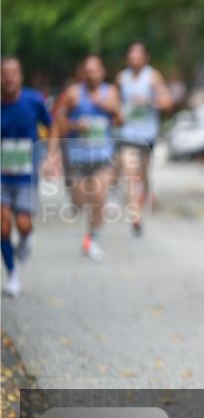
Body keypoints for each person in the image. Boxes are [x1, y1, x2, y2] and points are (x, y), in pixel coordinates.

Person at [51, 55, 122, 261]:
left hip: (102, 156)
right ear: (83, 73)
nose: (91, 74)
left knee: (99, 199)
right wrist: (75, 126)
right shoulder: (73, 94)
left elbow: (121, 120)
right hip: (77, 157)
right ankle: (76, 201)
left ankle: (92, 240)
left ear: (102, 72)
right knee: (80, 202)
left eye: (95, 70)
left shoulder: (111, 93)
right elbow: (58, 122)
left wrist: (108, 108)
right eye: (88, 70)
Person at [1, 57, 52, 297]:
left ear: (20, 76)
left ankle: (25, 238)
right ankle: (12, 274)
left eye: (13, 72)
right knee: (2, 227)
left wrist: (51, 155)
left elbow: (52, 127)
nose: (8, 77)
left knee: (23, 225)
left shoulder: (33, 101)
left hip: (26, 175)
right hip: (1, 176)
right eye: (4, 73)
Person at [117, 42, 172, 235]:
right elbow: (116, 104)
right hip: (127, 134)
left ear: (145, 58)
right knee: (130, 173)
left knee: (142, 174)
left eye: (138, 56)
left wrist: (149, 101)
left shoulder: (152, 77)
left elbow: (168, 102)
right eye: (132, 56)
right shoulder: (121, 79)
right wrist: (117, 115)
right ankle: (135, 215)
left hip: (148, 134)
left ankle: (146, 196)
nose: (135, 60)